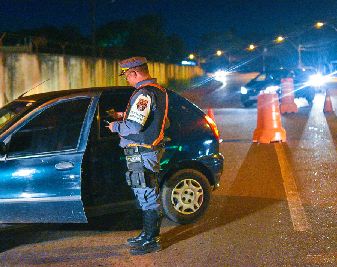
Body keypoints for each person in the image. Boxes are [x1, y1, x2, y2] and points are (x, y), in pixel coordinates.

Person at [107, 56, 169, 255]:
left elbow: (134, 126)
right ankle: (146, 235)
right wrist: (122, 116)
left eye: (126, 75)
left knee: (148, 194)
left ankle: (152, 240)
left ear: (134, 73)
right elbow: (157, 121)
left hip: (143, 152)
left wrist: (115, 126)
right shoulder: (158, 91)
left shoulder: (143, 94)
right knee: (144, 192)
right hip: (143, 150)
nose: (126, 79)